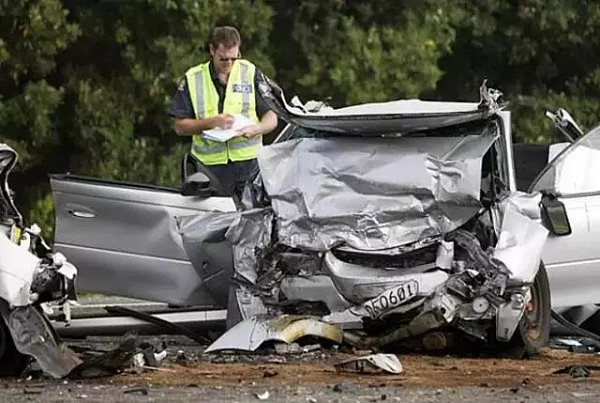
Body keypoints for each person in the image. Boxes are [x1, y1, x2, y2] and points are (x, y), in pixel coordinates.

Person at [167, 26, 277, 197]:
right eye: (224, 59)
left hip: (249, 165)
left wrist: (257, 129)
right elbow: (179, 126)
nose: (230, 64)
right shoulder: (194, 77)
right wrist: (213, 122)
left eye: (235, 58)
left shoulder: (249, 71)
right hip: (210, 170)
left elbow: (272, 116)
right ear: (212, 50)